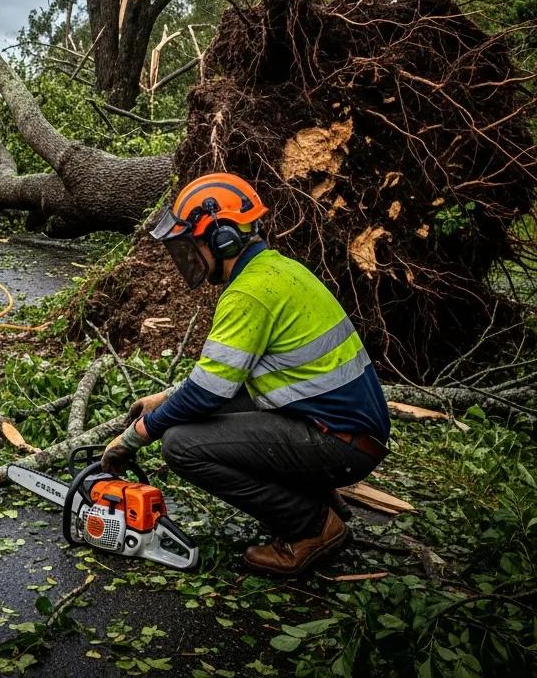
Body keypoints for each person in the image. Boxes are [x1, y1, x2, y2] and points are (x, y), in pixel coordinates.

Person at [101, 172, 390, 577]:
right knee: (209, 416)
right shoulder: (277, 271)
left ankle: (310, 527)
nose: (188, 255)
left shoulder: (249, 293)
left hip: (341, 441)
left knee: (181, 444)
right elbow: (222, 380)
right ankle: (317, 499)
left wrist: (134, 437)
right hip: (342, 429)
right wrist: (165, 400)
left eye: (192, 243)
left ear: (222, 239)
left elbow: (207, 394)